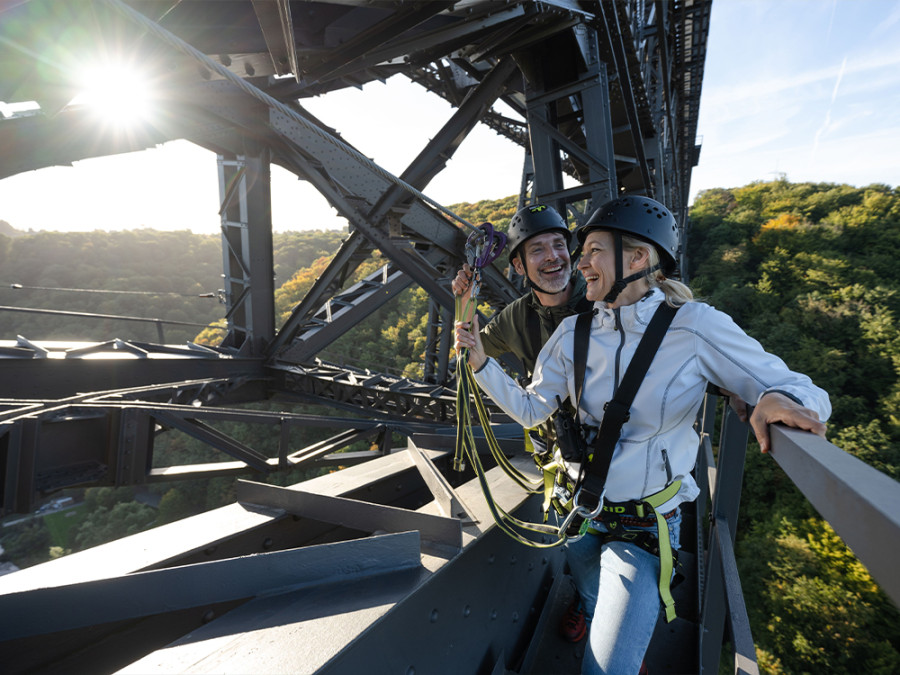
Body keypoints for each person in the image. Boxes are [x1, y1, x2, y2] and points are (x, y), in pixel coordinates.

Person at [455, 195, 830, 674]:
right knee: (590, 589)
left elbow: (800, 387)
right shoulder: (572, 333)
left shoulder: (694, 328)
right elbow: (532, 410)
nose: (579, 262)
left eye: (592, 251)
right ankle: (595, 613)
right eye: (583, 251)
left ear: (636, 258)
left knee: (606, 669)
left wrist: (776, 398)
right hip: (580, 512)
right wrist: (481, 363)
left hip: (645, 527)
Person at [452, 202, 594, 641]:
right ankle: (591, 603)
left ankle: (614, 621)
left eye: (559, 245)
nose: (554, 257)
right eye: (538, 251)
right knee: (580, 541)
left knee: (618, 535)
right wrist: (463, 308)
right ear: (517, 266)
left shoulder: (603, 299)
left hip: (616, 444)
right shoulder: (517, 318)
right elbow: (467, 356)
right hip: (560, 450)